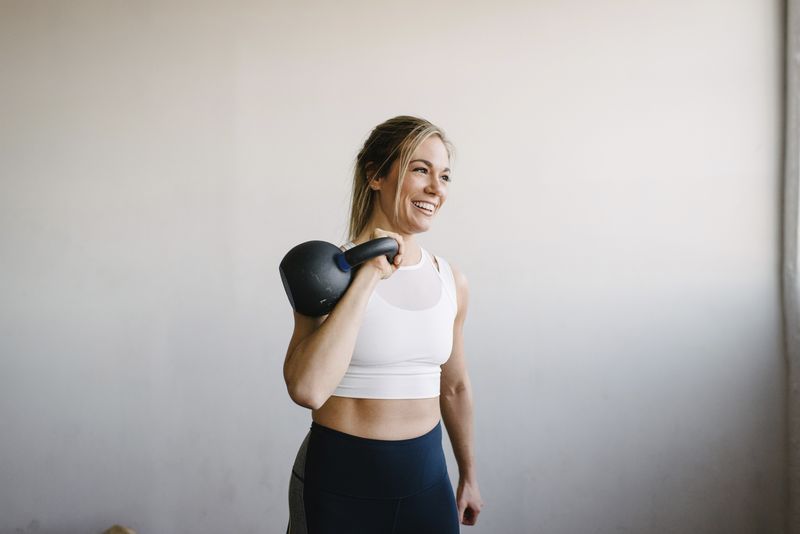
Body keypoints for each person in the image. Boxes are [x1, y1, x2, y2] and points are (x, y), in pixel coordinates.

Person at [284, 115, 483, 533]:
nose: (436, 188)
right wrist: (369, 274)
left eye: (444, 175)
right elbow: (307, 388)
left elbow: (455, 386)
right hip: (339, 486)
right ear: (375, 174)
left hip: (427, 484)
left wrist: (468, 475)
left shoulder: (451, 280)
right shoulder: (328, 274)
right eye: (420, 169)